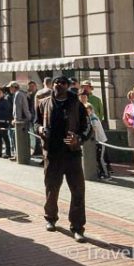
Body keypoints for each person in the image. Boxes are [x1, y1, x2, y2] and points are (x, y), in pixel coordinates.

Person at [35, 75, 90, 243]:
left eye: (63, 83)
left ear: (68, 86)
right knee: (51, 189)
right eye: (57, 82)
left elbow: (87, 128)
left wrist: (78, 139)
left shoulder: (76, 104)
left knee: (78, 191)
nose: (59, 85)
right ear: (52, 85)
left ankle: (78, 227)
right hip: (52, 153)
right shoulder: (43, 103)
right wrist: (41, 129)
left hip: (72, 154)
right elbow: (35, 123)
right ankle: (50, 218)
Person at [87, 103, 110, 180]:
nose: (87, 112)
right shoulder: (91, 118)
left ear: (91, 110)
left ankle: (106, 173)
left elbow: (93, 129)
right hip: (97, 141)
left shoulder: (93, 118)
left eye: (88, 110)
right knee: (98, 158)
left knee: (101, 158)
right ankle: (101, 172)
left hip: (100, 140)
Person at [122, 89, 134, 175]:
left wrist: (133, 118)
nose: (132, 99)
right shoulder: (128, 106)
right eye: (130, 98)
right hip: (130, 128)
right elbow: (124, 118)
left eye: (133, 98)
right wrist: (128, 125)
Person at [0, 86, 13, 159]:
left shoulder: (5, 101)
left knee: (5, 137)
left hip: (3, 121)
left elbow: (7, 112)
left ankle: (8, 153)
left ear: (3, 93)